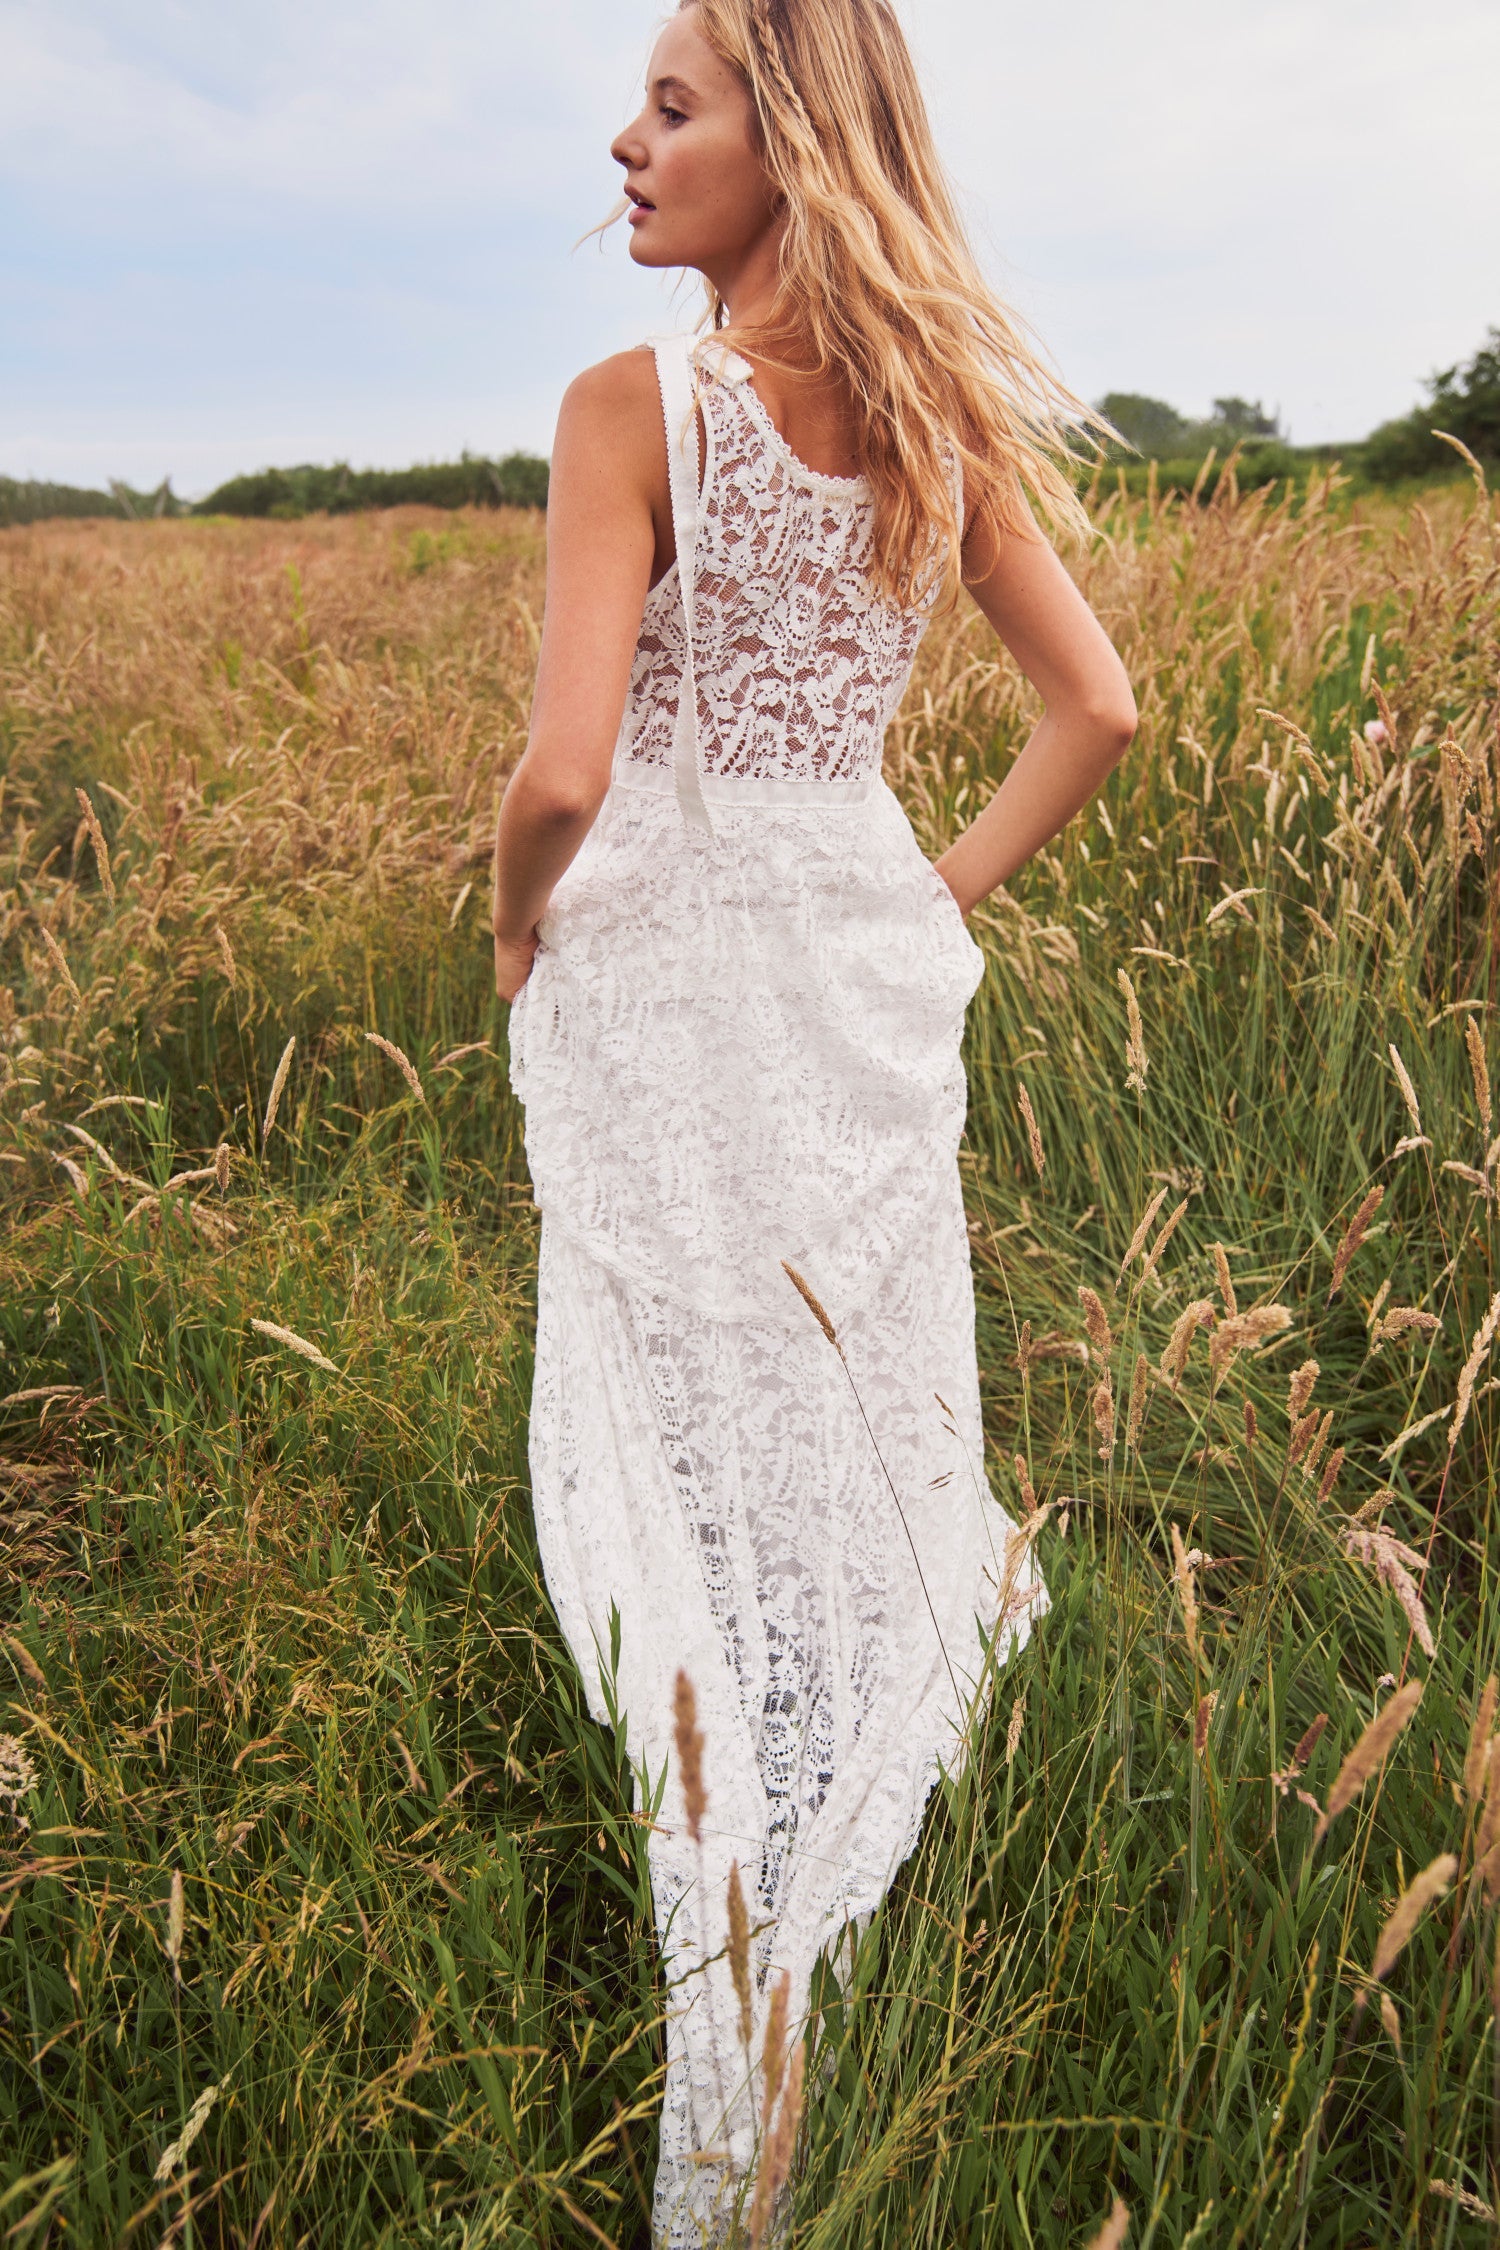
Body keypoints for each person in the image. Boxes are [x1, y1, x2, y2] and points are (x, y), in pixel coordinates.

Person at [491, 0, 1135, 2238]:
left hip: (671, 962)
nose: (627, 138)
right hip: (852, 945)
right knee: (832, 1367)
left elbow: (567, 774)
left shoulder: (624, 407)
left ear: (800, 137)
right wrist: (925, 894)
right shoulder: (941, 414)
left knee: (672, 1382)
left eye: (673, 104)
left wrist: (508, 923)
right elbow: (1098, 708)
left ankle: (733, 1801)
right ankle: (840, 1677)